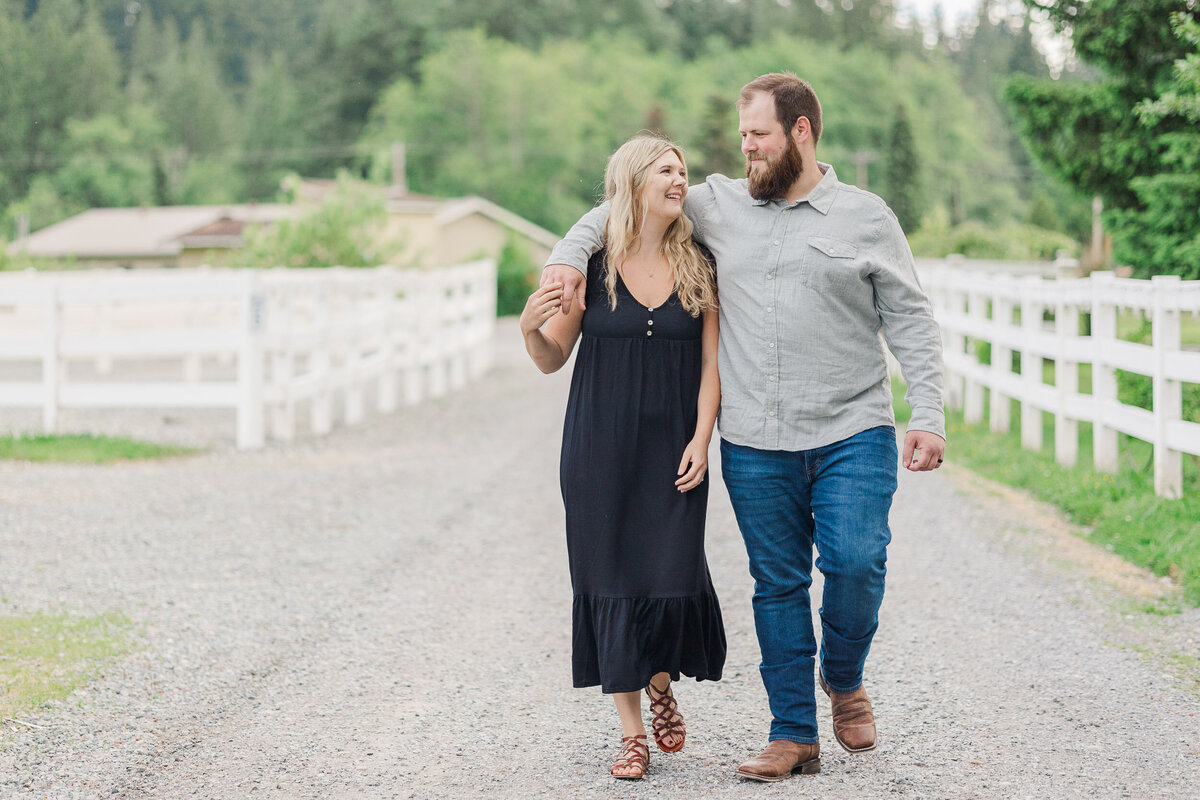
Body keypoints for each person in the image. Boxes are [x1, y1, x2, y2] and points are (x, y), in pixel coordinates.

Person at [542, 73, 946, 781]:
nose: (745, 148)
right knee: (777, 585)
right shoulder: (718, 204)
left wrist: (930, 414)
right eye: (741, 137)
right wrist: (565, 259)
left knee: (855, 560)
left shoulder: (867, 216)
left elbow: (911, 317)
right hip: (758, 440)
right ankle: (793, 733)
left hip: (854, 426)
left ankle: (843, 678)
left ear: (800, 132)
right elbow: (616, 207)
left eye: (758, 135)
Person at [519, 134, 726, 780]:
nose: (679, 179)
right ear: (634, 182)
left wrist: (702, 436)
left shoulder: (700, 262)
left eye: (683, 170)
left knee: (669, 578)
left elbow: (712, 366)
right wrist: (530, 327)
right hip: (597, 451)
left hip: (674, 451)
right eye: (666, 169)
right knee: (610, 582)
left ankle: (661, 682)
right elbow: (553, 357)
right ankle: (632, 733)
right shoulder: (595, 263)